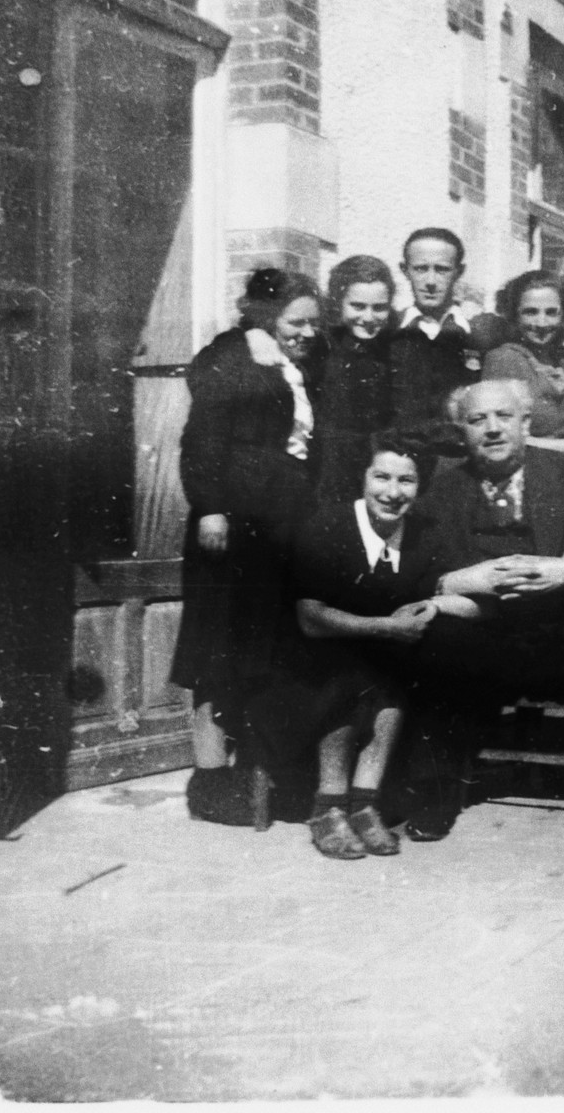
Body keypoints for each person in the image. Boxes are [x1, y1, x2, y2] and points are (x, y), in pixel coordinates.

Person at [407, 379, 564, 848]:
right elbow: (415, 572)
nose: (493, 430)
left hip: (562, 632)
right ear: (462, 431)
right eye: (478, 420)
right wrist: (463, 579)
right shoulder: (442, 489)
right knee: (436, 636)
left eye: (504, 417)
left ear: (527, 424)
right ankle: (435, 795)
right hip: (483, 636)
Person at [171, 267, 323, 824]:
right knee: (215, 655)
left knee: (261, 656)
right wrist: (210, 504)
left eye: (312, 322)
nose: (306, 332)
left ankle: (259, 776)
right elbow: (202, 435)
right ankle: (209, 785)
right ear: (264, 317)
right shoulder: (232, 354)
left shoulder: (296, 362)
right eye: (294, 321)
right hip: (229, 527)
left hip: (277, 530)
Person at [255, 434, 451, 859]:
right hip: (300, 675)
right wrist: (385, 627)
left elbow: (430, 593)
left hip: (375, 664)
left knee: (400, 668)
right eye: (382, 477)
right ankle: (328, 807)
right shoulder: (326, 526)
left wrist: (431, 609)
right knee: (352, 666)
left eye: (407, 481)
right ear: (363, 477)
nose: (393, 493)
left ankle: (364, 803)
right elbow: (311, 618)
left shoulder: (423, 537)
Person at [388, 227, 508, 454]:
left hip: (461, 465)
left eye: (442, 270)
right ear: (405, 270)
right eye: (421, 269)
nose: (430, 281)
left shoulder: (482, 333)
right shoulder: (391, 330)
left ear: (458, 272)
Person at [482, 269, 564, 457]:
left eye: (551, 313)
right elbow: (496, 437)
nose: (542, 323)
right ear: (515, 315)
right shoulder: (503, 360)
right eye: (531, 312)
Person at [315, 255, 395, 504]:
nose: (369, 318)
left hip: (377, 480)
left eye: (379, 307)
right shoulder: (320, 347)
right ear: (339, 303)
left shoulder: (393, 348)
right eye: (358, 306)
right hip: (327, 477)